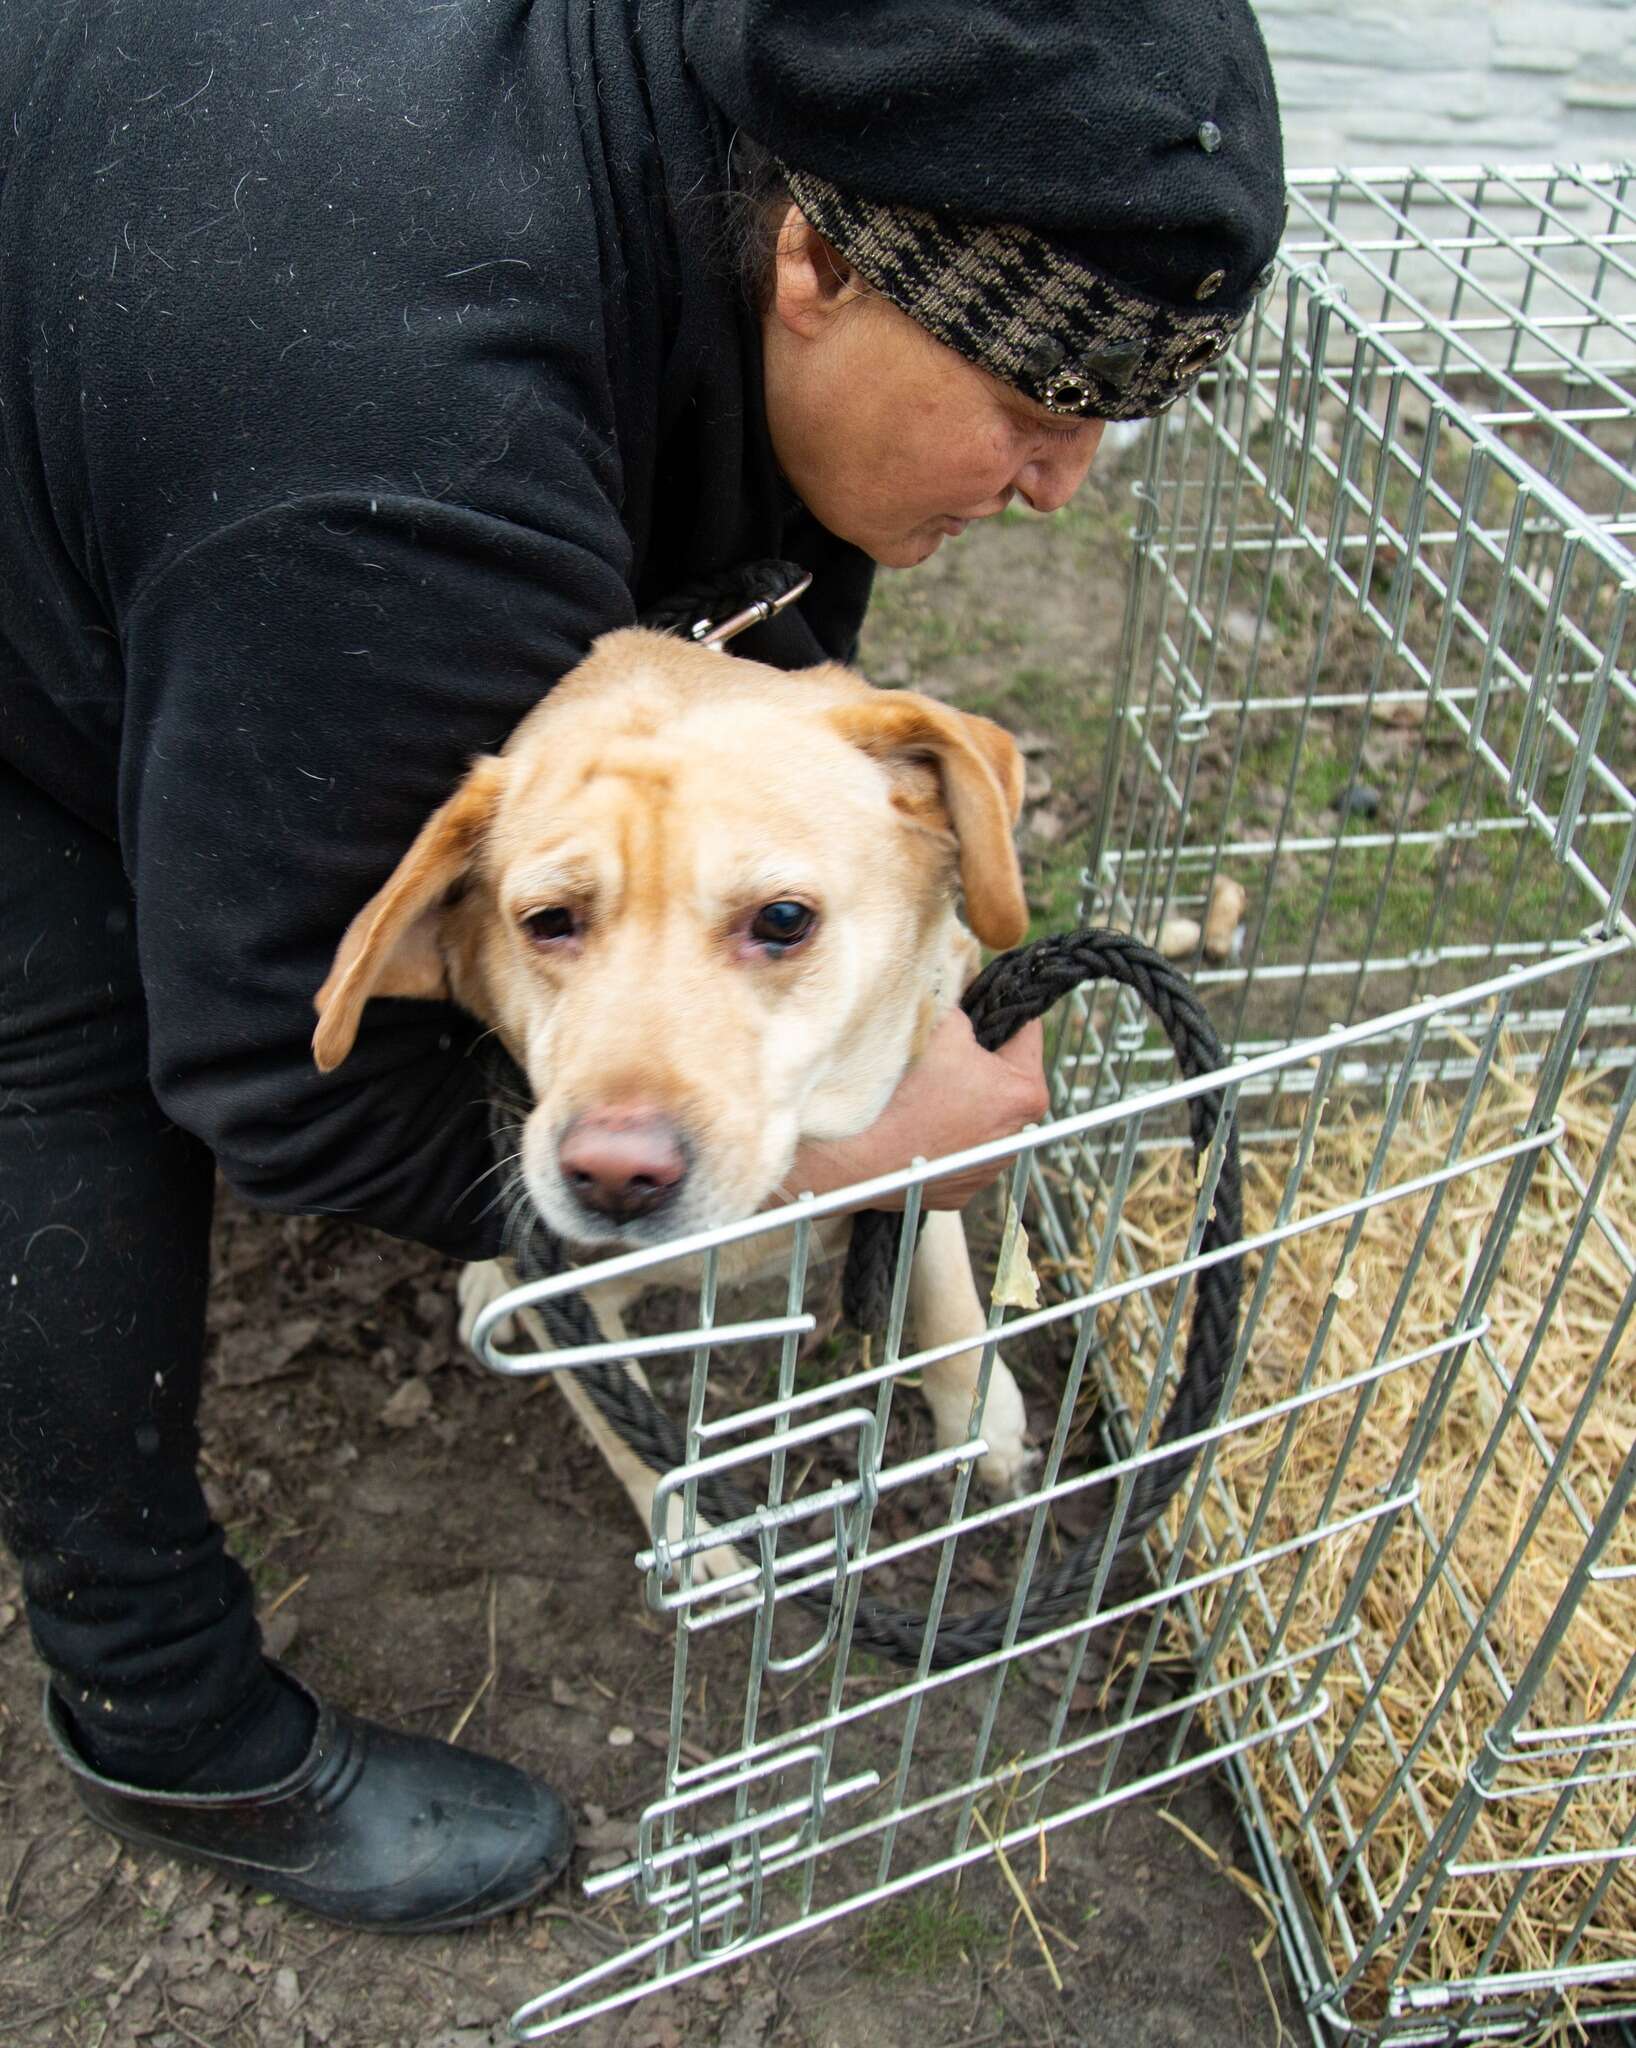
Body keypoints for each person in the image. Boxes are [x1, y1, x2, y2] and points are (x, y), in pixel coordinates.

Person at [0, 0, 1285, 1930]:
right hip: (163, 355)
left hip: (197, 257)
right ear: (810, 258)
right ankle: (161, 1714)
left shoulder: (746, 111)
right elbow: (279, 1073)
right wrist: (839, 1146)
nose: (1060, 485)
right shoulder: (396, 460)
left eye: (1103, 415)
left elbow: (752, 609)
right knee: (79, 1010)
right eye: (1029, 404)